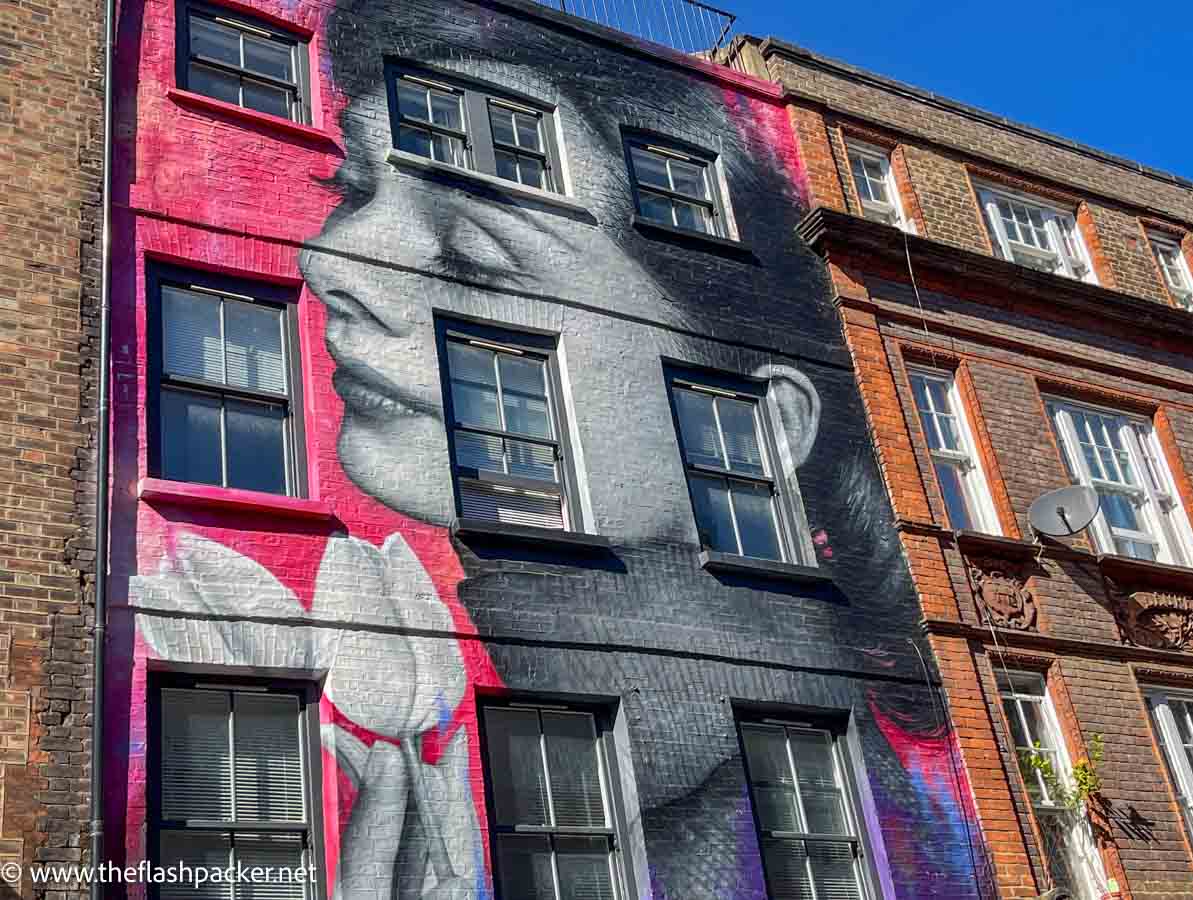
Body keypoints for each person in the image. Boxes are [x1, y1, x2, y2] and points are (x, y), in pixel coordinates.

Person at [132, 2, 989, 898]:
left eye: (469, 256)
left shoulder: (798, 805)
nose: (330, 260)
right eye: (353, 189)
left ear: (766, 424)